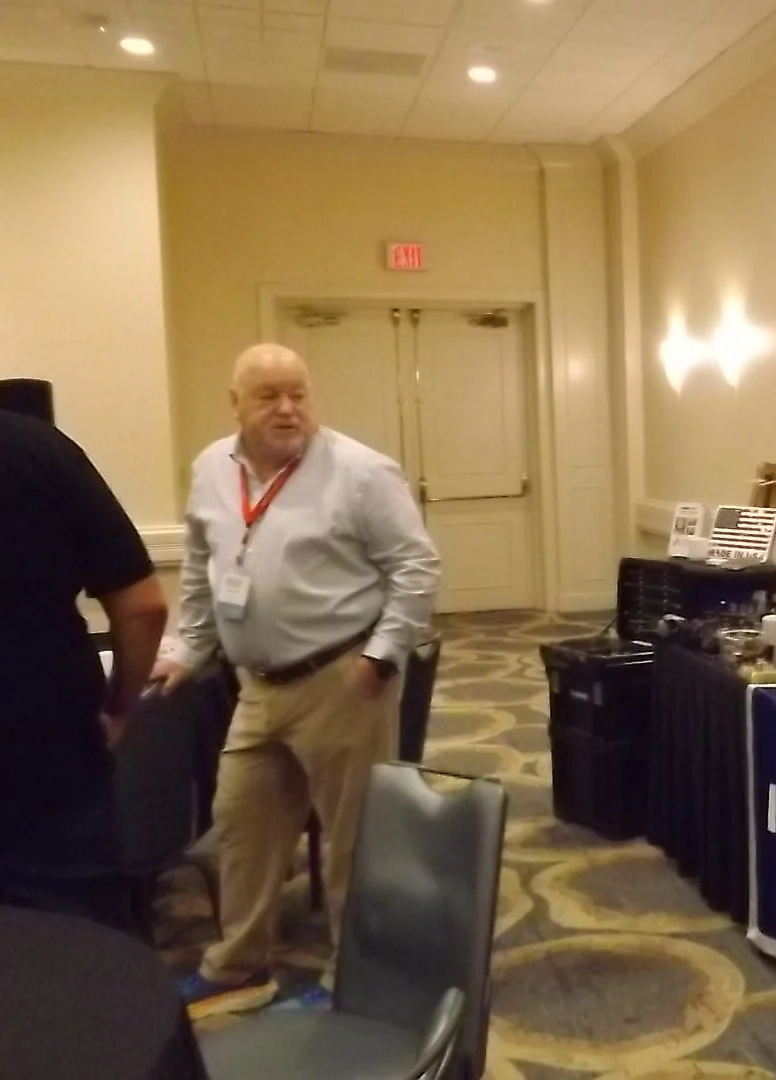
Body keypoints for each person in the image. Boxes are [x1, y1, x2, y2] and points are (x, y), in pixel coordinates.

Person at [156, 343, 440, 1019]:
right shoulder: (210, 470)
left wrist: (380, 657)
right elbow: (201, 570)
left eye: (299, 394)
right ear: (236, 404)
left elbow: (416, 569)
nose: (288, 410)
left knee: (354, 841)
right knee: (241, 822)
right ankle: (237, 961)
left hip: (341, 681)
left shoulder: (361, 473)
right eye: (268, 396)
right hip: (256, 686)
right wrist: (188, 651)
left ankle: (356, 974)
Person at [0, 286, 170, 932]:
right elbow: (143, 605)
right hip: (45, 772)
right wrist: (121, 704)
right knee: (73, 978)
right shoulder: (36, 451)